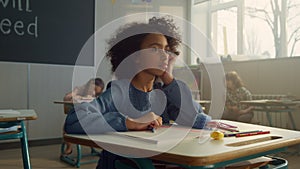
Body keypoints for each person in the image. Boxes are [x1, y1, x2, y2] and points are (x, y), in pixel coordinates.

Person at [64, 16, 211, 169]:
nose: (164, 55)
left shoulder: (164, 93)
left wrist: (169, 78)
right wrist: (130, 123)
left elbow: (200, 122)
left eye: (166, 50)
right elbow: (73, 121)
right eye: (154, 48)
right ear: (135, 57)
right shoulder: (119, 91)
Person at [62, 77, 105, 156]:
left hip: (89, 118)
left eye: (97, 92)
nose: (94, 93)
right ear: (90, 85)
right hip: (77, 117)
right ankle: (69, 147)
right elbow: (67, 98)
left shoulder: (98, 97)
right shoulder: (79, 90)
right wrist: (76, 93)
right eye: (93, 89)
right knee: (67, 124)